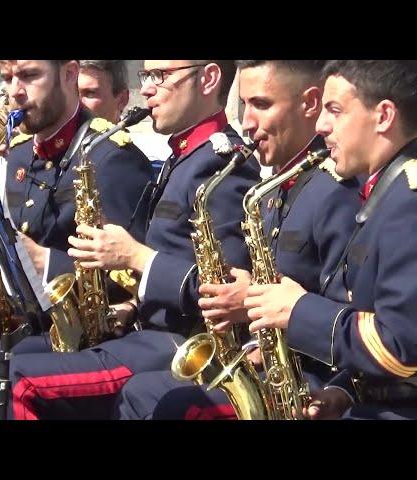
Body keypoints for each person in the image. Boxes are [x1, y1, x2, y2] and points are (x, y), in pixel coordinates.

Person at [0, 60, 261, 420]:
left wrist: (135, 257)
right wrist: (129, 305)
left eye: (159, 77)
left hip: (180, 344)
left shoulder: (222, 164)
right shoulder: (186, 156)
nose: (146, 89)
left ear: (208, 78)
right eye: (146, 76)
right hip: (143, 330)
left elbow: (222, 289)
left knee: (21, 382)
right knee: (10, 363)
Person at [115, 60, 363, 420]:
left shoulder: (335, 193)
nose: (246, 122)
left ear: (309, 104)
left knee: (167, 403)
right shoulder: (270, 191)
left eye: (261, 105)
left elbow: (352, 318)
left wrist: (339, 387)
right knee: (143, 394)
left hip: (311, 386)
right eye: (244, 105)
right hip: (273, 368)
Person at [0, 59, 154, 420]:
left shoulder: (111, 156)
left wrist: (46, 262)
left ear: (69, 74)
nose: (14, 91)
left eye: (30, 76)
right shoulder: (20, 152)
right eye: (7, 78)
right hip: (20, 318)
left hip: (75, 333)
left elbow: (128, 281)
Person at [244, 60, 417, 420]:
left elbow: (400, 349)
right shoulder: (389, 192)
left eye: (335, 110)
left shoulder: (408, 202)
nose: (321, 125)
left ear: (384, 115)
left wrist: (298, 309)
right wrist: (343, 391)